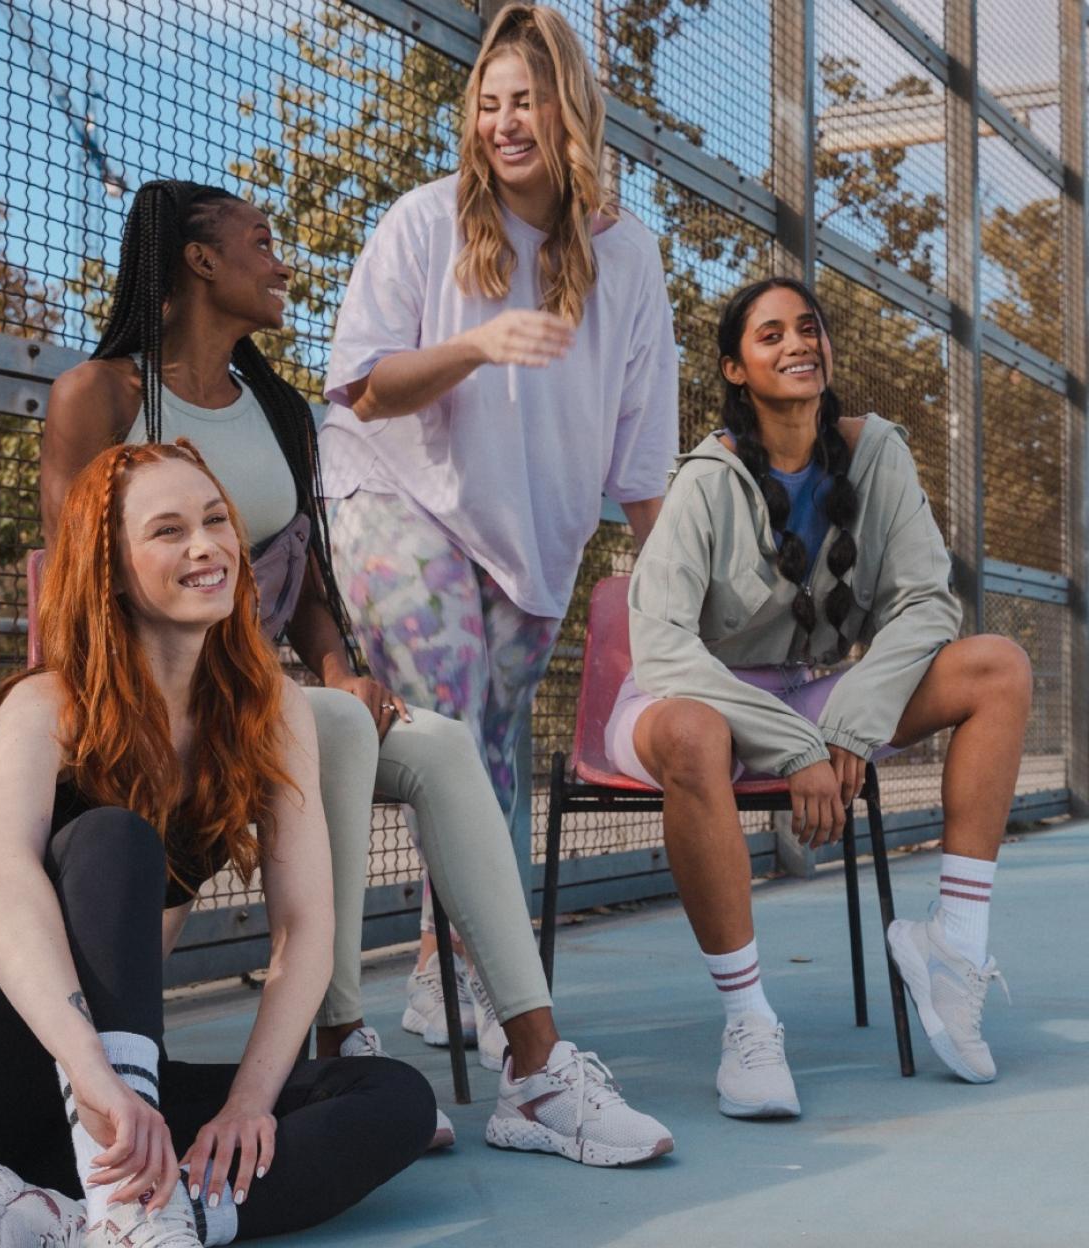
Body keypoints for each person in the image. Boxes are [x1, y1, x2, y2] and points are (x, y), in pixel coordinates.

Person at [39, 179, 674, 1164]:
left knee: (439, 741)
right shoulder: (103, 396)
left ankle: (537, 1070)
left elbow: (305, 589)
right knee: (321, 725)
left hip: (255, 702)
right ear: (200, 260)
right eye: (261, 240)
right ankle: (337, 1042)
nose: (281, 260)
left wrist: (341, 664)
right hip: (145, 710)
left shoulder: (282, 411)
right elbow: (73, 582)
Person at [0, 442, 437, 1247]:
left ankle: (105, 1217)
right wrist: (94, 1075)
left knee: (393, 1099)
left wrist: (247, 1103)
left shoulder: (268, 710)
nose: (205, 547)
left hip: (105, 1100)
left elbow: (305, 926)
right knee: (115, 837)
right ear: (111, 568)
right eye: (168, 531)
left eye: (215, 522)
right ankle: (135, 1209)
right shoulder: (47, 705)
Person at [319, 3, 679, 1022]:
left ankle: (450, 967)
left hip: (533, 538)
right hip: (394, 496)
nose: (506, 122)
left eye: (526, 100)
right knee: (458, 719)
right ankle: (469, 974)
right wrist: (479, 344)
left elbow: (645, 443)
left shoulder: (631, 258)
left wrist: (664, 583)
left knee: (492, 742)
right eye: (489, 103)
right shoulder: (425, 221)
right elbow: (367, 387)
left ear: (571, 108)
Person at [606, 277, 1032, 1119]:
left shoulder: (876, 452)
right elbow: (660, 644)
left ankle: (954, 947)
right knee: (695, 737)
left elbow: (925, 604)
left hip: (829, 699)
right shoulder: (706, 478)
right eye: (771, 335)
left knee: (998, 667)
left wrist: (846, 722)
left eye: (809, 328)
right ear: (736, 366)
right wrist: (797, 746)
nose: (798, 344)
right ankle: (749, 1024)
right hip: (694, 699)